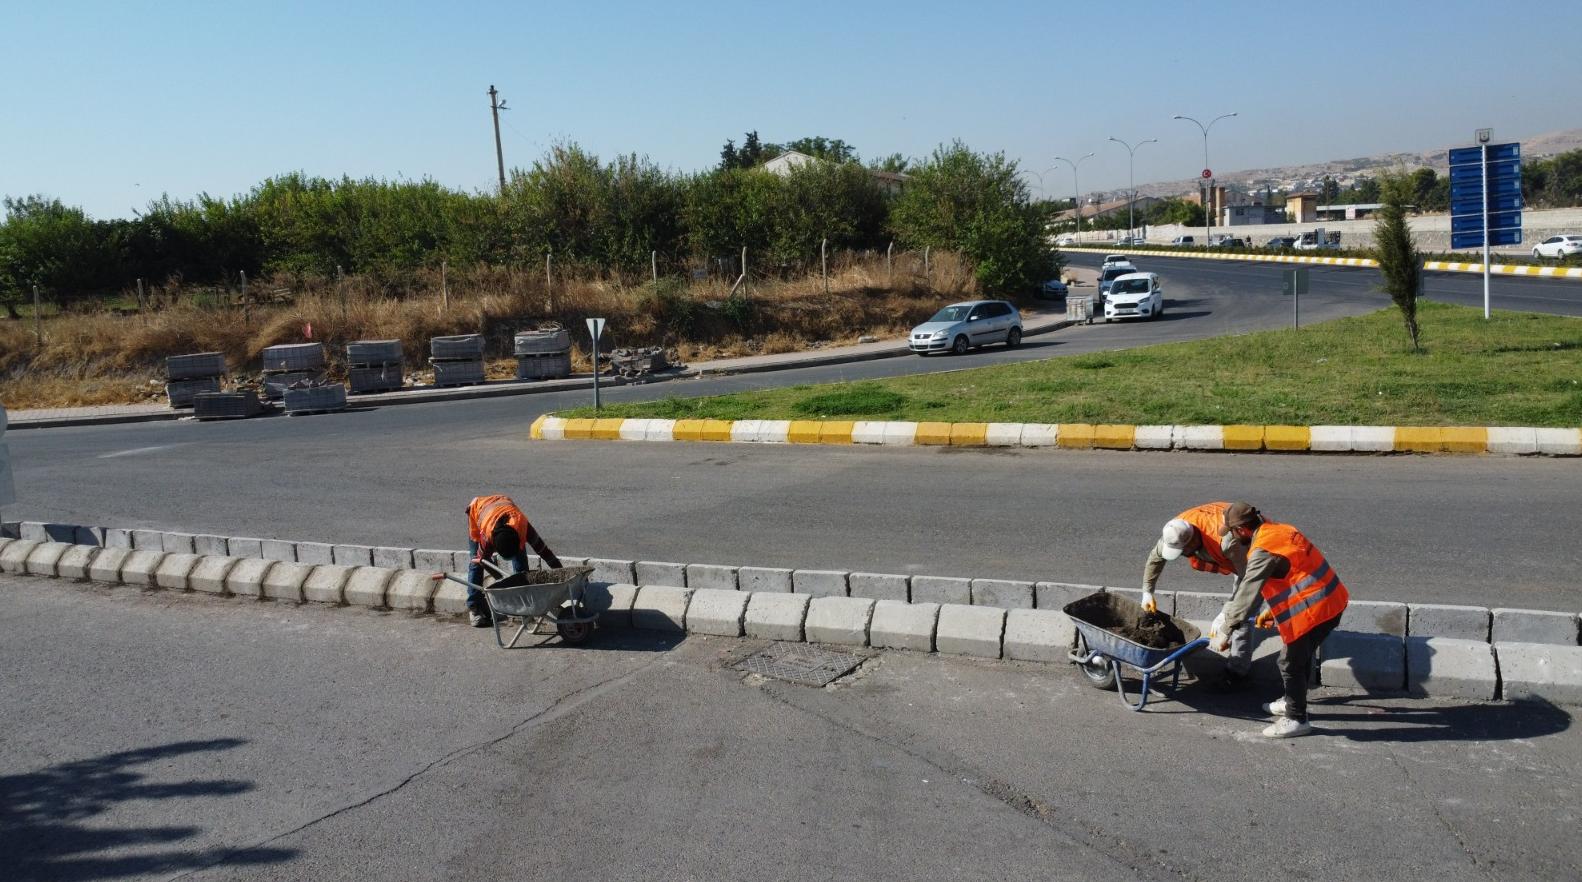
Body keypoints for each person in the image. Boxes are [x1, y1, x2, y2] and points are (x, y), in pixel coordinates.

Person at [1209, 503, 1348, 739]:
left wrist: (1226, 628)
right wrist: (1271, 612)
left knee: (1289, 662)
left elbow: (1247, 593)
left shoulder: (1262, 550)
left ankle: (1296, 718)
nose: (1231, 536)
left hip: (1317, 610)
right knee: (1299, 657)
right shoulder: (1277, 530)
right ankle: (1291, 700)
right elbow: (1296, 572)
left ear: (1242, 530)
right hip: (1332, 598)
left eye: (1231, 531)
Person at [1142, 501, 1252, 689]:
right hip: (1234, 552)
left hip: (1252, 553)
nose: (1181, 555)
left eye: (1182, 551)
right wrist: (1147, 592)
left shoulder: (1226, 542)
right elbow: (1156, 558)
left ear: (1192, 541)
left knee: (1241, 616)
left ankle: (1237, 672)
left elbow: (1248, 580)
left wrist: (1225, 617)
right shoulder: (1176, 529)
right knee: (1235, 616)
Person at [465, 494, 562, 628]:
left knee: (521, 561)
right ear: (494, 547)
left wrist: (561, 571)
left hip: (505, 509)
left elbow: (544, 552)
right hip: (478, 510)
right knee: (476, 562)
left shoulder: (522, 527)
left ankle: (524, 605)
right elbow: (482, 560)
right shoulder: (487, 538)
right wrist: (504, 581)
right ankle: (474, 608)